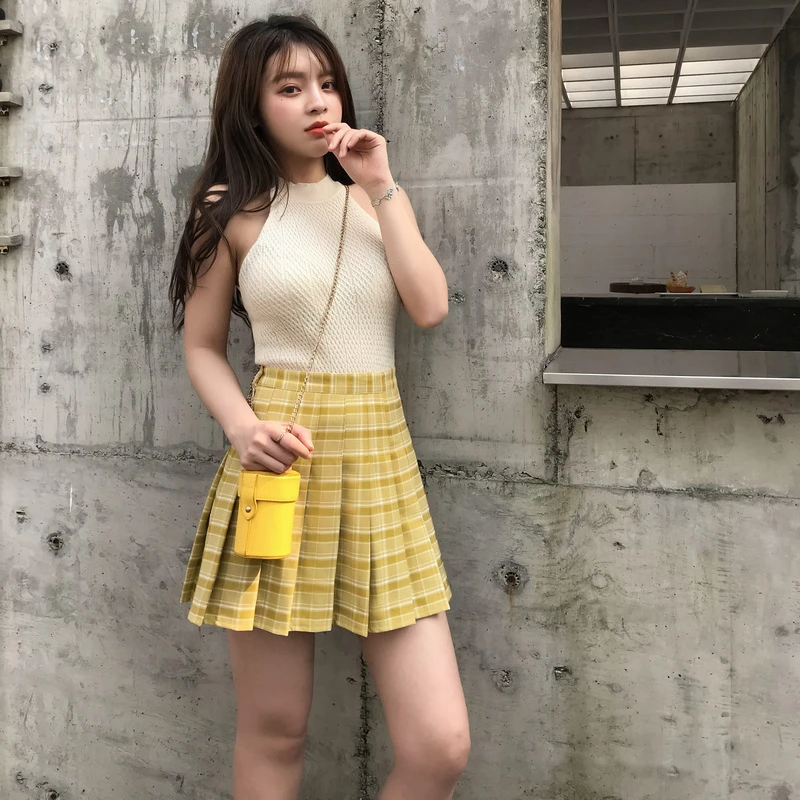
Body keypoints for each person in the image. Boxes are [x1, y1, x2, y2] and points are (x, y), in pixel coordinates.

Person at [169, 14, 470, 800]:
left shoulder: (373, 200)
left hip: (380, 468)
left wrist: (380, 183)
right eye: (290, 86)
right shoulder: (227, 210)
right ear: (251, 104)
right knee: (276, 731)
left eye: (327, 83)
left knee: (439, 745)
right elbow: (202, 347)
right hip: (280, 468)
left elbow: (430, 306)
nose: (316, 101)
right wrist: (243, 427)